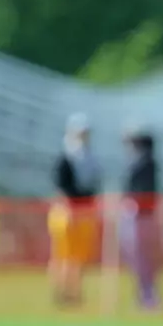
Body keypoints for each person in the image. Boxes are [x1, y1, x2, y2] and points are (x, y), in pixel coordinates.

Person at [47, 113, 102, 306]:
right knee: (63, 255)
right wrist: (67, 208)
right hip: (67, 212)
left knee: (79, 256)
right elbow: (60, 187)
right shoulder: (66, 156)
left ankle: (75, 292)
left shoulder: (90, 157)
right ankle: (61, 292)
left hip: (84, 211)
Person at [118, 125, 162, 311]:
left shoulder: (145, 162)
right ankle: (143, 295)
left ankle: (148, 296)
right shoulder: (139, 162)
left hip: (141, 215)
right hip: (136, 215)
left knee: (142, 258)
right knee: (135, 258)